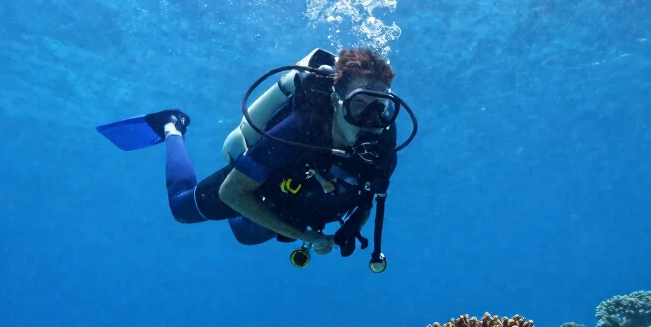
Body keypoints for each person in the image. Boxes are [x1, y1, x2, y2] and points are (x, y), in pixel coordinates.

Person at [97, 47, 417, 270]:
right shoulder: (299, 130)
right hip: (260, 187)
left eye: (383, 108)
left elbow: (370, 198)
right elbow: (232, 193)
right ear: (336, 101)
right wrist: (305, 236)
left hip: (292, 207)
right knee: (182, 209)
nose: (373, 120)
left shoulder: (382, 145)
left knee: (245, 236)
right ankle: (171, 126)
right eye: (361, 105)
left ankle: (263, 219)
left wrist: (351, 229)